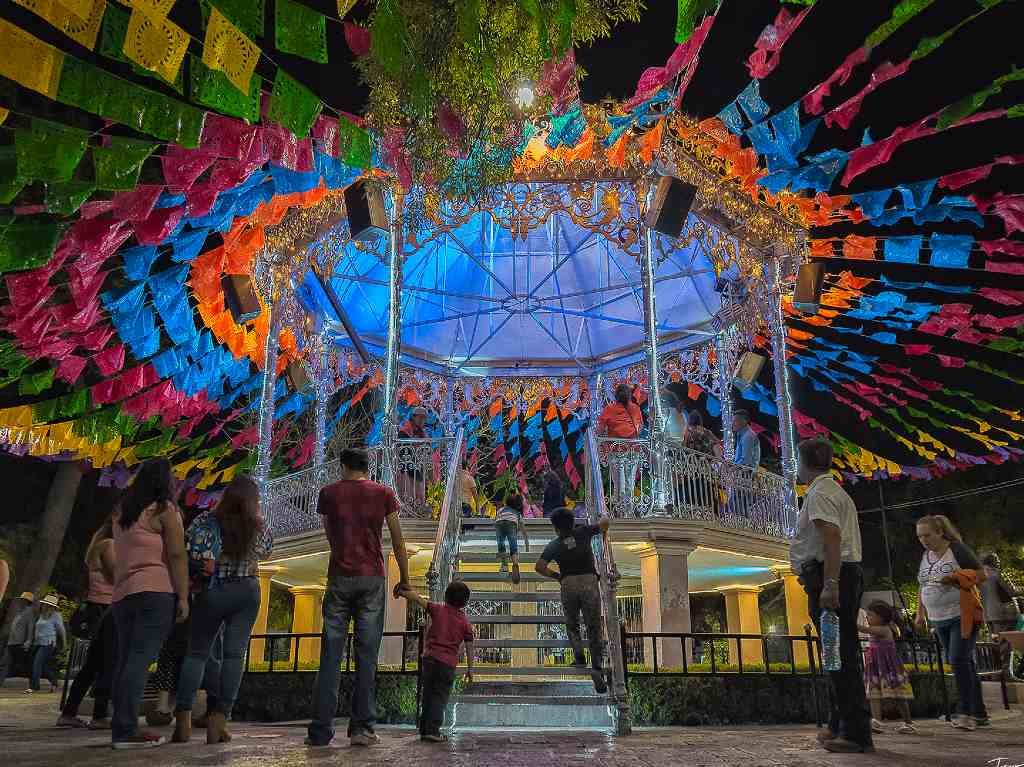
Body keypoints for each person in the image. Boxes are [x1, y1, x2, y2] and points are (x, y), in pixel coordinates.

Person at [307, 447, 411, 748]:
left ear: (343, 466)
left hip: (339, 576)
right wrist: (404, 578)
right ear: (368, 467)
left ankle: (319, 731)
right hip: (372, 577)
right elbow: (398, 538)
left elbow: (330, 533)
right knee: (367, 656)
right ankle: (362, 729)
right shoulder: (384, 493)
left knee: (330, 655)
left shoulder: (328, 494)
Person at [173, 475, 273, 744]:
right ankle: (219, 720)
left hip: (213, 591)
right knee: (233, 657)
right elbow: (266, 552)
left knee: (196, 653)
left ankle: (182, 719)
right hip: (246, 591)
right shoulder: (259, 526)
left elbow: (190, 549)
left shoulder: (206, 521)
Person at [788, 438, 872, 753]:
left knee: (841, 653)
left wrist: (831, 582)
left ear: (804, 462)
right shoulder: (831, 491)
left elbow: (832, 538)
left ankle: (855, 731)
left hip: (832, 576)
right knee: (836, 653)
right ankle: (840, 724)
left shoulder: (821, 493)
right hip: (834, 575)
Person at [110, 458, 189, 750]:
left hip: (123, 595)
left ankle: (121, 726)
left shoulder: (122, 513)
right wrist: (182, 596)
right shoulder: (165, 510)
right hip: (155, 591)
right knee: (139, 660)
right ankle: (126, 730)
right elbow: (177, 555)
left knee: (127, 660)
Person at [914, 514, 988, 730]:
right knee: (964, 663)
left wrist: (955, 578)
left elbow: (981, 574)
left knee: (958, 660)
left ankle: (965, 712)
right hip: (938, 618)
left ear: (940, 532)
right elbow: (922, 584)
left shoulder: (956, 550)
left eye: (927, 535)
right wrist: (920, 612)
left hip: (961, 613)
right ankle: (979, 713)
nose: (923, 540)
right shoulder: (926, 556)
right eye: (919, 536)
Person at [535, 507, 610, 694]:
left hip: (568, 583)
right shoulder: (584, 531)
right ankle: (597, 666)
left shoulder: (554, 544)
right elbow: (604, 524)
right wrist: (603, 514)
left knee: (572, 622)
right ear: (573, 522)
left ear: (555, 528)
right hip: (589, 580)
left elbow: (539, 566)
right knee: (593, 625)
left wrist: (557, 576)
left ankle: (578, 655)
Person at [57, 517, 117, 728]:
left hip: (96, 607)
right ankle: (99, 715)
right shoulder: (109, 545)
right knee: (106, 663)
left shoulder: (96, 547)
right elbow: (116, 576)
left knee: (93, 665)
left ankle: (70, 712)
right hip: (104, 607)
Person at [399, 582, 474, 743]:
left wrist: (404, 592)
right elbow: (469, 647)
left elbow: (419, 600)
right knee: (439, 696)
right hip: (447, 664)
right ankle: (433, 730)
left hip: (430, 659)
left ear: (446, 597)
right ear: (465, 602)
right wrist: (470, 669)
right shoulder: (465, 622)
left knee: (427, 694)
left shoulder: (437, 609)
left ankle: (424, 729)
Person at [858, 600, 916, 734]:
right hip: (875, 665)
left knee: (899, 695)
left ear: (881, 617)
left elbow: (865, 629)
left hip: (888, 667)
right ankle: (877, 721)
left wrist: (849, 621)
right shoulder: (879, 628)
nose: (867, 618)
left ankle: (908, 722)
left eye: (870, 615)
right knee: (874, 693)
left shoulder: (885, 629)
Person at [597, 383, 643, 512]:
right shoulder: (635, 409)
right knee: (629, 483)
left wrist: (603, 439)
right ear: (629, 396)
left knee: (619, 484)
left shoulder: (609, 409)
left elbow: (599, 430)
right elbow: (639, 429)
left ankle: (621, 512)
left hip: (616, 450)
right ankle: (628, 512)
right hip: (633, 450)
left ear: (616, 396)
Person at [979, 552, 1021, 681]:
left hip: (989, 616)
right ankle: (1007, 675)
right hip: (1005, 615)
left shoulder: (980, 576)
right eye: (997, 559)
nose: (998, 561)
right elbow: (1012, 591)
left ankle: (997, 675)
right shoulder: (998, 574)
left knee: (995, 646)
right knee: (1007, 645)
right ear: (994, 562)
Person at [27, 593, 66, 693]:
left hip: (48, 643)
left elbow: (62, 631)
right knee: (42, 665)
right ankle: (54, 682)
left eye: (46, 604)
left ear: (51, 606)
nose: (43, 605)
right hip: (38, 643)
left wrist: (64, 645)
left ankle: (34, 686)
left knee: (37, 663)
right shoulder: (41, 615)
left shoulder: (56, 616)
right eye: (43, 603)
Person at [0, 591, 35, 685]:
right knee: (5, 662)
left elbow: (30, 627)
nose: (20, 601)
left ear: (26, 601)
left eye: (22, 600)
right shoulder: (20, 611)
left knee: (25, 664)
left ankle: (34, 682)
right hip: (12, 641)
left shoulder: (29, 613)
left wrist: (28, 641)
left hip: (19, 643)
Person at [398, 406, 429, 510]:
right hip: (405, 462)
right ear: (413, 417)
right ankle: (410, 506)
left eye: (424, 418)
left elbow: (426, 445)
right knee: (412, 481)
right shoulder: (405, 431)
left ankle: (417, 505)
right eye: (420, 418)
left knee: (419, 480)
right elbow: (404, 450)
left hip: (415, 462)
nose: (422, 421)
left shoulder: (420, 431)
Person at [495, 494, 529, 585]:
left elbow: (496, 517)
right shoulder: (517, 513)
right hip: (511, 524)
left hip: (499, 523)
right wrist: (527, 543)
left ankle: (504, 565)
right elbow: (523, 529)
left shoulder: (501, 510)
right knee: (513, 544)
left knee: (500, 542)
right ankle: (515, 564)